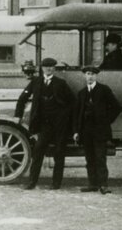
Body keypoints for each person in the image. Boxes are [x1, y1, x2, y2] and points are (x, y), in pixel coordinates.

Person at [14, 57, 76, 190]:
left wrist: (65, 116)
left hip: (60, 124)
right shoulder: (36, 82)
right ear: (42, 68)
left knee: (59, 153)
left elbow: (72, 101)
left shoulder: (61, 83)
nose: (49, 69)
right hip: (44, 124)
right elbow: (22, 98)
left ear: (54, 68)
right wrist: (17, 116)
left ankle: (56, 184)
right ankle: (32, 182)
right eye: (46, 67)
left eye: (51, 67)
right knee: (38, 151)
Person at [74, 65, 122, 194]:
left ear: (96, 76)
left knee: (100, 157)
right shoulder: (82, 93)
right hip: (86, 132)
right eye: (88, 74)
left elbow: (116, 107)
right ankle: (92, 184)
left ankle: (104, 185)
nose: (90, 76)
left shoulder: (104, 90)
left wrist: (106, 121)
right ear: (85, 76)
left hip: (100, 131)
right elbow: (77, 113)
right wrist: (77, 131)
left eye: (93, 74)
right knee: (89, 158)